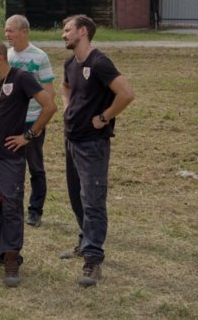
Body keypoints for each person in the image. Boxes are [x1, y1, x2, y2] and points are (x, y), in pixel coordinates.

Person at [60, 15, 134, 287]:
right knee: (76, 196)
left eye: (67, 30)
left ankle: (93, 258)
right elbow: (65, 86)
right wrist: (68, 106)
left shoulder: (100, 62)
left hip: (93, 143)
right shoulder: (70, 63)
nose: (63, 35)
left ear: (83, 31)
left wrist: (105, 116)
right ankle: (84, 240)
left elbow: (126, 93)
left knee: (93, 199)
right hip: (71, 139)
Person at [0, 39, 56, 287]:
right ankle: (0, 244)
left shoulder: (22, 78)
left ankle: (11, 258)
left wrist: (28, 136)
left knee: (11, 207)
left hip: (9, 157)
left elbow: (50, 106)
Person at [5, 15, 55, 228]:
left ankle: (35, 211)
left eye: (11, 31)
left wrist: (37, 126)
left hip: (32, 120)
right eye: (5, 31)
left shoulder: (39, 57)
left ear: (24, 32)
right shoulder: (5, 56)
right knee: (9, 166)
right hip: (10, 120)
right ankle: (11, 206)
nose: (7, 35)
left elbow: (49, 92)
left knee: (35, 167)